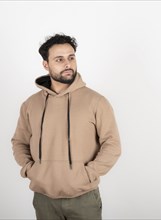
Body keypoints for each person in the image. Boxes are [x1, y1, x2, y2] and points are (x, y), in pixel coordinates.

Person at [11, 33, 121, 220]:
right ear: (46, 64)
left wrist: (87, 174)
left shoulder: (96, 101)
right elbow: (19, 142)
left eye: (71, 57)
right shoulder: (31, 104)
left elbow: (112, 144)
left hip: (83, 197)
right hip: (44, 198)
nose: (68, 64)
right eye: (59, 59)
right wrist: (31, 170)